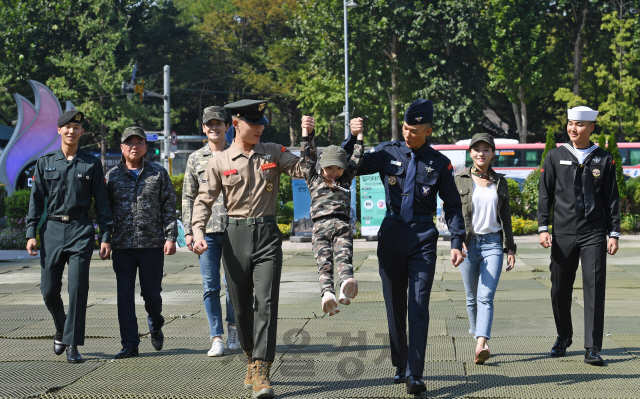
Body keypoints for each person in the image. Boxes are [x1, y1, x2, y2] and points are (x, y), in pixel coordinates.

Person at [191, 99, 315, 399]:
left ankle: (262, 367)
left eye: (262, 124)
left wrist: (307, 139)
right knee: (241, 305)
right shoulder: (219, 161)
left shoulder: (272, 151)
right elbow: (204, 199)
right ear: (236, 124)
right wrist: (196, 231)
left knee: (267, 303)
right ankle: (249, 354)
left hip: (268, 236)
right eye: (253, 123)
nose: (259, 128)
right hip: (234, 237)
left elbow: (305, 170)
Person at [342, 99, 465, 395]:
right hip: (392, 234)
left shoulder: (439, 163)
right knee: (395, 305)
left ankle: (415, 373)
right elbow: (349, 168)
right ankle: (400, 364)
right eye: (405, 128)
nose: (408, 134)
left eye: (414, 130)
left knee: (418, 305)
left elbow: (452, 205)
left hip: (423, 238)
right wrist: (352, 139)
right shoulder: (388, 152)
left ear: (429, 131)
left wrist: (458, 241)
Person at [26, 110, 113, 363]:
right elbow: (36, 201)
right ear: (59, 130)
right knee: (48, 290)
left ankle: (73, 344)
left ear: (82, 132)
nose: (72, 131)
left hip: (80, 230)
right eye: (67, 127)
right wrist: (31, 232)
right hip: (51, 231)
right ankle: (62, 328)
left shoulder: (91, 163)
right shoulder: (45, 163)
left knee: (77, 289)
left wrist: (106, 235)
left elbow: (102, 203)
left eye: (77, 127)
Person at [538, 106, 620, 366]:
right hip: (562, 232)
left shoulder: (604, 159)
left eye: (580, 125)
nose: (573, 129)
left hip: (594, 232)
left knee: (594, 289)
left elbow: (612, 198)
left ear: (591, 127)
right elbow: (545, 195)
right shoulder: (555, 156)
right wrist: (542, 227)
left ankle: (593, 348)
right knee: (559, 288)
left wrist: (614, 233)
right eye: (570, 124)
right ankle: (563, 337)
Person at [105, 126, 177, 359]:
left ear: (146, 147)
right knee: (124, 296)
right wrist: (105, 239)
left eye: (139, 142)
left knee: (152, 295)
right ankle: (130, 343)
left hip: (152, 245)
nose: (134, 146)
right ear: (122, 148)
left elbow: (169, 206)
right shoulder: (112, 176)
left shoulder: (158, 173)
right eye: (129, 143)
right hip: (123, 246)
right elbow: (105, 212)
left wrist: (170, 237)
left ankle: (155, 323)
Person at [453, 133, 517, 364]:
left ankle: (482, 342)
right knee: (471, 297)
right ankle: (476, 332)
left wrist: (510, 248)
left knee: (486, 296)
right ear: (470, 153)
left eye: (486, 149)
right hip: (468, 245)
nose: (481, 153)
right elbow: (452, 213)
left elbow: (506, 218)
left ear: (493, 153)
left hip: (492, 244)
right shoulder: (459, 178)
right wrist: (455, 241)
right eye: (477, 149)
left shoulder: (500, 182)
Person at [183, 106, 240, 356]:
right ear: (203, 128)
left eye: (219, 123)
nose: (214, 128)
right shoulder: (195, 159)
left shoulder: (239, 154)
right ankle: (216, 337)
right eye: (209, 124)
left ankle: (234, 330)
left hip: (236, 229)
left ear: (228, 126)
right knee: (210, 286)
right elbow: (188, 197)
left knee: (235, 285)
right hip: (205, 232)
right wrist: (188, 232)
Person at [300, 119, 364, 315]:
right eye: (329, 168)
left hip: (342, 225)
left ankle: (346, 283)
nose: (334, 172)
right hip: (320, 227)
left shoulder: (346, 177)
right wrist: (305, 131)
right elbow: (305, 157)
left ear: (344, 167)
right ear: (321, 166)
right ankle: (327, 294)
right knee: (324, 262)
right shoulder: (313, 177)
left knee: (344, 256)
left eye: (338, 168)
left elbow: (358, 156)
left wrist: (359, 135)